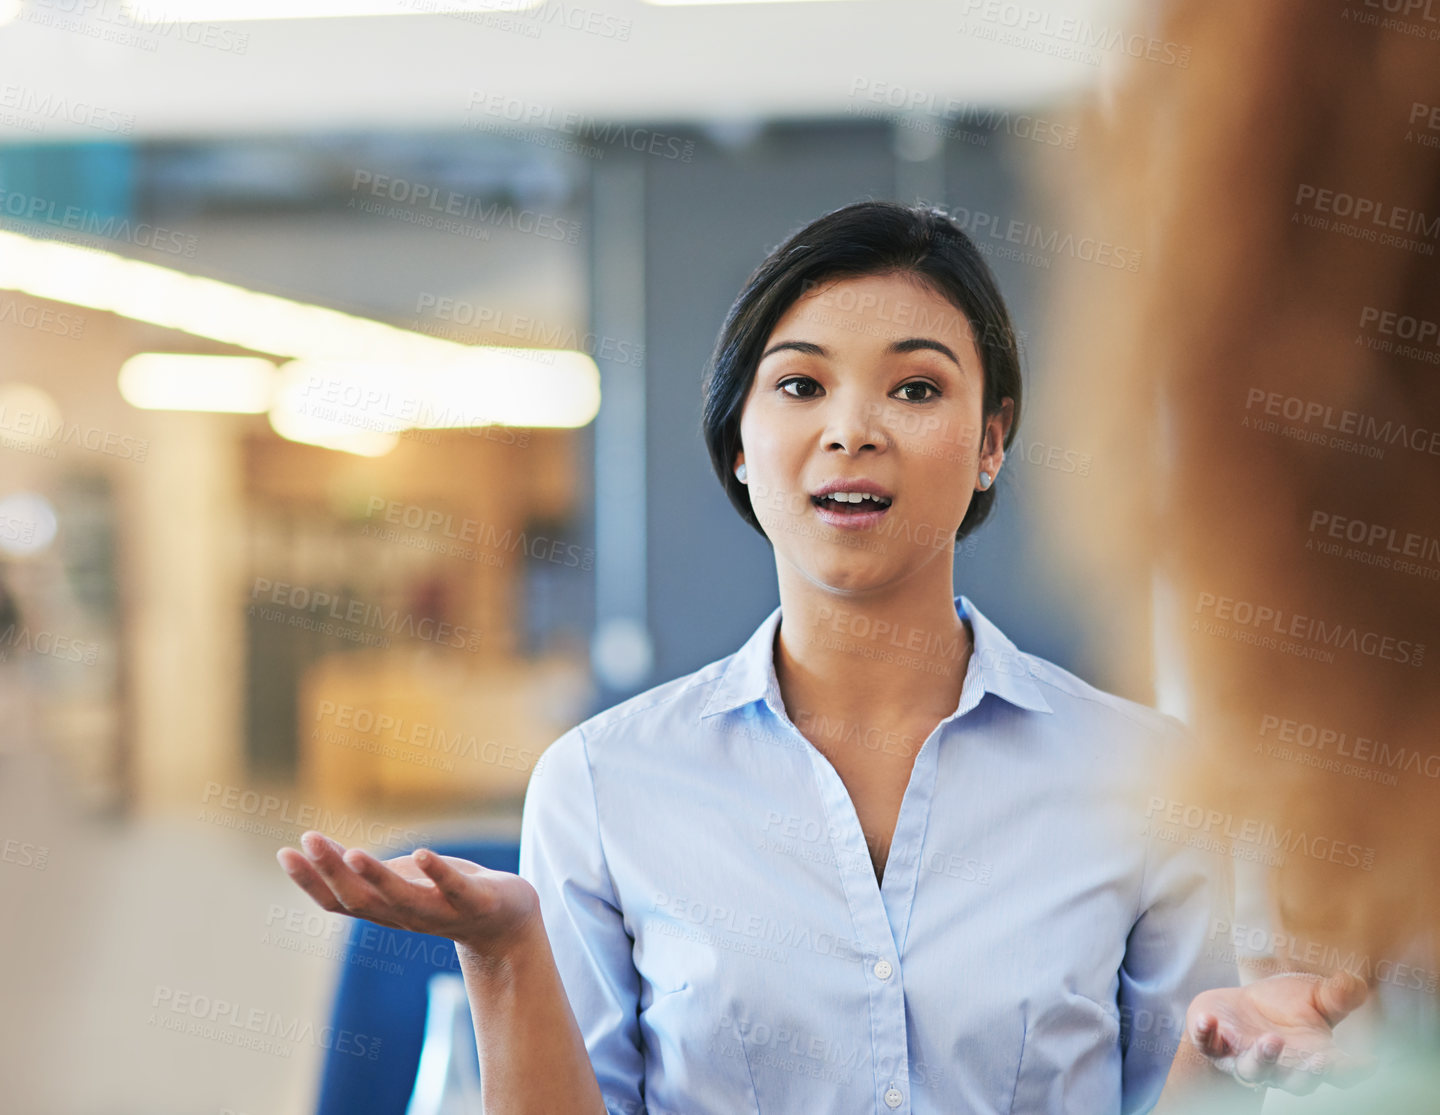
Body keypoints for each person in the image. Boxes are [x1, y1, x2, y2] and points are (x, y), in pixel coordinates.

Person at [277, 201, 1372, 1114]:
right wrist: (510, 951)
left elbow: (1177, 1088)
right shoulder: (603, 783)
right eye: (800, 386)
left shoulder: (1148, 779)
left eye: (917, 387)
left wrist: (1232, 1061)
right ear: (740, 445)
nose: (853, 428)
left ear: (991, 442)